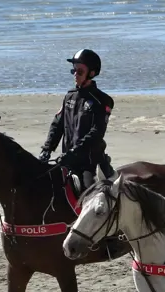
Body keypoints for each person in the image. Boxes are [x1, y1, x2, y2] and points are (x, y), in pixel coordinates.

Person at [39, 49, 117, 190]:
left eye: (80, 72)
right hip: (67, 160)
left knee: (89, 194)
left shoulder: (102, 101)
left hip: (89, 163)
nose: (75, 74)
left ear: (91, 74)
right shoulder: (69, 96)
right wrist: (47, 149)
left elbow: (96, 133)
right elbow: (58, 125)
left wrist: (74, 152)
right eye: (74, 71)